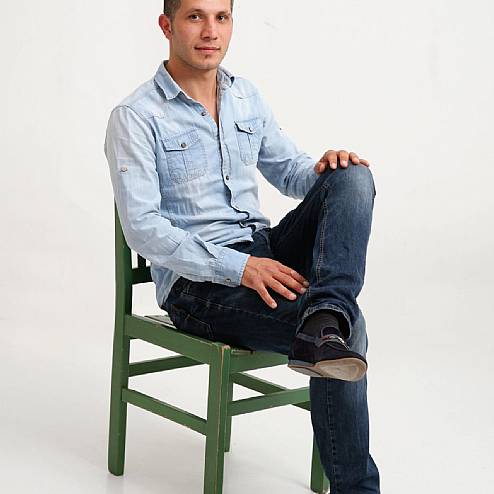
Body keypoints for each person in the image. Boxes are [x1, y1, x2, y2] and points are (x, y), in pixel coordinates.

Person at [104, 0, 380, 491]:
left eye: (221, 17)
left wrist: (326, 169)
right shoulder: (136, 116)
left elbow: (291, 173)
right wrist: (241, 268)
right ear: (167, 25)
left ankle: (325, 315)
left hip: (264, 249)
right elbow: (143, 230)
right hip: (198, 284)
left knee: (353, 177)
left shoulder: (245, 96)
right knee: (346, 329)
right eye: (195, 16)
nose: (210, 31)